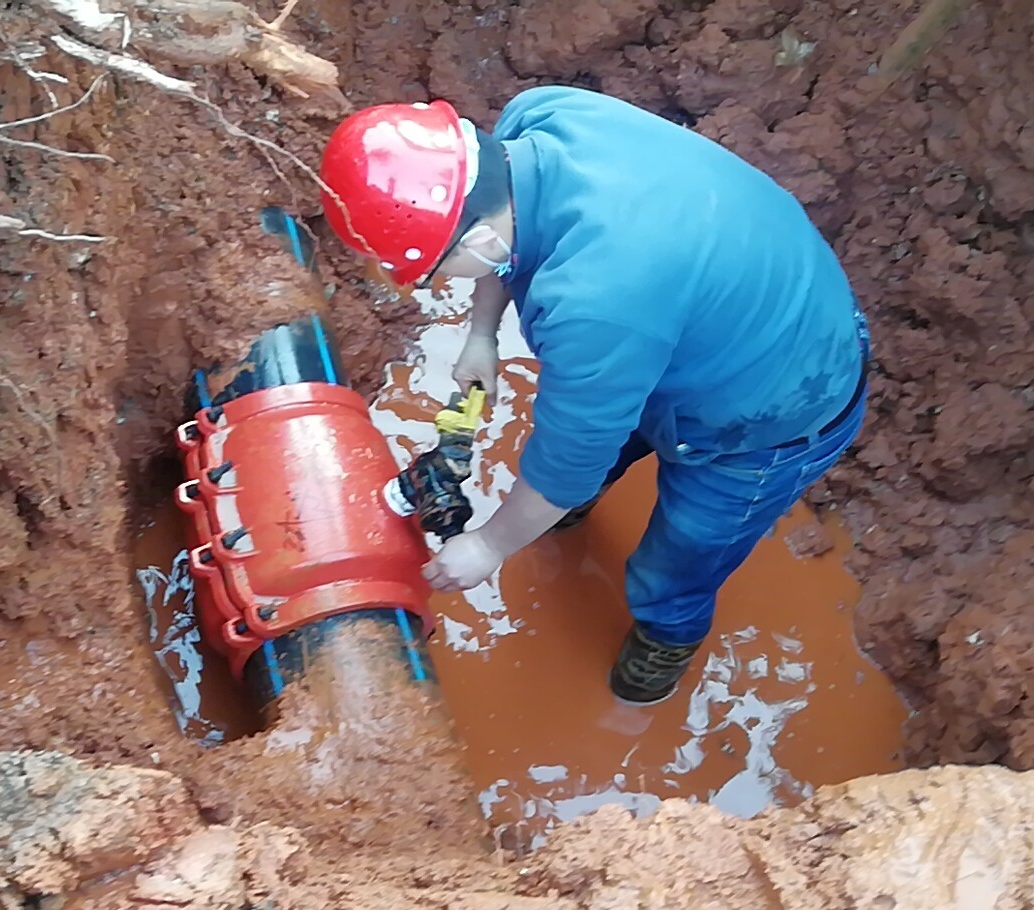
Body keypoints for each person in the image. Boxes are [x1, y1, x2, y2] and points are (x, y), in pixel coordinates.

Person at [315, 87, 870, 707]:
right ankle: (566, 514)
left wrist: (490, 545)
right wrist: (481, 335)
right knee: (598, 436)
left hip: (777, 409)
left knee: (682, 553)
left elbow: (566, 465)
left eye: (437, 270)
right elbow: (500, 243)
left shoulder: (597, 308)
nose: (439, 281)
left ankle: (666, 638)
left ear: (474, 244)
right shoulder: (541, 118)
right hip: (711, 319)